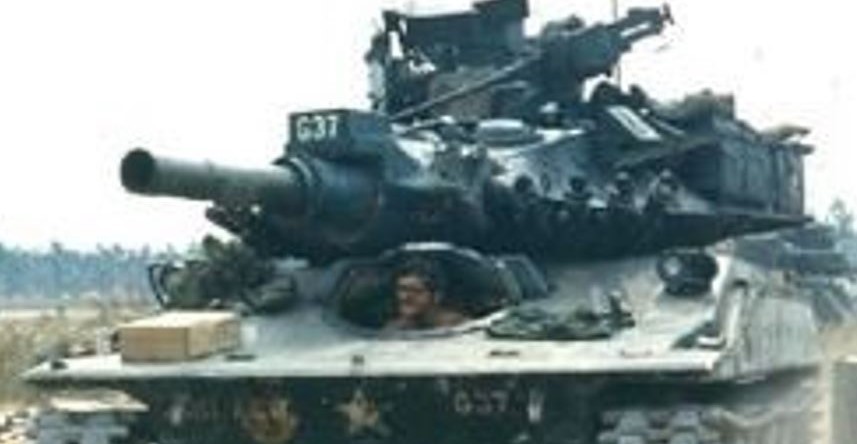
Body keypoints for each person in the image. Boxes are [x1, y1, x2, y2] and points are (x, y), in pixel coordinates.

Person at [385, 259, 469, 330]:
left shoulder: (461, 327)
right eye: (402, 289)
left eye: (416, 291)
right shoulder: (395, 328)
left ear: (437, 296)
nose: (405, 297)